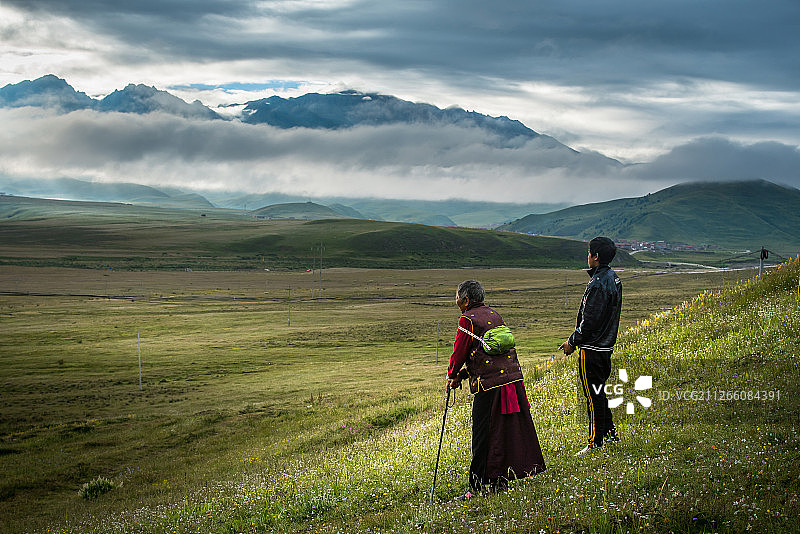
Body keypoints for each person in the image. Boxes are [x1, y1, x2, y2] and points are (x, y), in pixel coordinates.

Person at [447, 280, 546, 499]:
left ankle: (476, 486)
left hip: (490, 385)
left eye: (456, 297)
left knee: (482, 435)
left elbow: (460, 352)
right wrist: (463, 375)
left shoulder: (466, 320)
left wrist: (452, 374)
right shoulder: (494, 315)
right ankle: (498, 481)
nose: (456, 301)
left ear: (465, 300)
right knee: (502, 431)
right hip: (511, 381)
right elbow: (488, 353)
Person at [559, 237, 623, 455]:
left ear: (595, 256)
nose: (587, 256)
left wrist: (572, 342)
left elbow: (590, 321)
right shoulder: (613, 278)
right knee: (600, 392)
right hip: (606, 347)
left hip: (592, 349)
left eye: (589, 252)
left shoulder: (597, 283)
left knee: (592, 396)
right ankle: (611, 434)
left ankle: (595, 442)